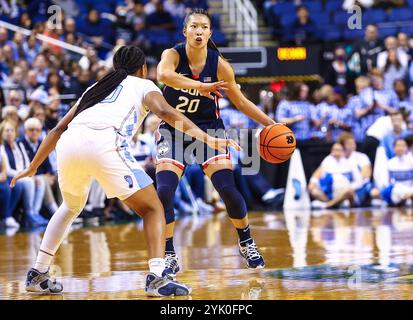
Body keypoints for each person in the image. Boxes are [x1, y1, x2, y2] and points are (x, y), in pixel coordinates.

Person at [10, 45, 237, 296]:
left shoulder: (94, 89)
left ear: (115, 67)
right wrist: (207, 138)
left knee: (70, 207)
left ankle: (38, 272)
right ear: (143, 69)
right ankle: (158, 277)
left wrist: (32, 167)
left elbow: (57, 130)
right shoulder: (144, 85)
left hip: (69, 145)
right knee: (153, 208)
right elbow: (164, 111)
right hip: (104, 143)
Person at [156, 8, 276, 278]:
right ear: (185, 31)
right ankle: (168, 253)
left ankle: (246, 241)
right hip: (174, 129)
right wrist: (201, 87)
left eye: (204, 27)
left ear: (210, 33)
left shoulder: (219, 64)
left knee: (227, 188)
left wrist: (271, 124)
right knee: (165, 190)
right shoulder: (172, 55)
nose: (199, 31)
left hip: (210, 128)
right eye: (194, 26)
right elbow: (163, 76)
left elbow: (242, 102)